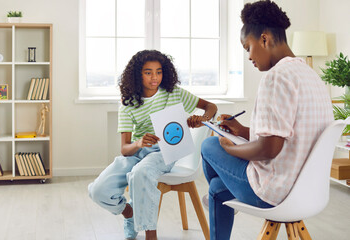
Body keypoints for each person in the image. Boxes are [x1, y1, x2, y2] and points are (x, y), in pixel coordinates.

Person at [200, 1, 333, 239]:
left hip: (275, 192)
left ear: (264, 39)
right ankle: (227, 191)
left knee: (209, 144)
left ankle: (232, 189)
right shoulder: (311, 76)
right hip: (307, 190)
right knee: (217, 189)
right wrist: (241, 131)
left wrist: (231, 149)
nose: (249, 57)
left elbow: (269, 148)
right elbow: (289, 136)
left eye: (247, 47)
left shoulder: (277, 76)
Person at [88, 49, 217, 240]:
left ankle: (151, 235)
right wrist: (139, 142)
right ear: (137, 74)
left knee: (142, 173)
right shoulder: (128, 102)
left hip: (166, 151)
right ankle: (129, 213)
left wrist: (202, 118)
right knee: (98, 190)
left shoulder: (174, 93)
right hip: (137, 151)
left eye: (158, 71)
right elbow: (124, 149)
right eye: (148, 72)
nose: (154, 77)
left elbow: (210, 107)